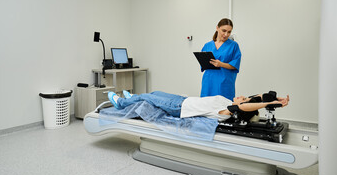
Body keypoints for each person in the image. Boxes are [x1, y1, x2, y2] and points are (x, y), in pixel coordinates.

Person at [108, 90, 289, 122]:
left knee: (148, 97)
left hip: (179, 108)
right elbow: (254, 98)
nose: (243, 96)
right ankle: (133, 98)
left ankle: (121, 103)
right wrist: (275, 99)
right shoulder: (229, 102)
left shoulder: (227, 111)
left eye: (243, 98)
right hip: (182, 99)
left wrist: (268, 104)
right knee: (154, 93)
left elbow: (245, 106)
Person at [200, 18, 242, 101]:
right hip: (209, 82)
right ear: (217, 28)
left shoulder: (233, 46)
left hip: (224, 83)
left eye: (229, 32)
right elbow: (203, 64)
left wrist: (221, 64)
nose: (226, 34)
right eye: (224, 30)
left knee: (223, 109)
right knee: (206, 107)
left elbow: (235, 65)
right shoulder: (207, 45)